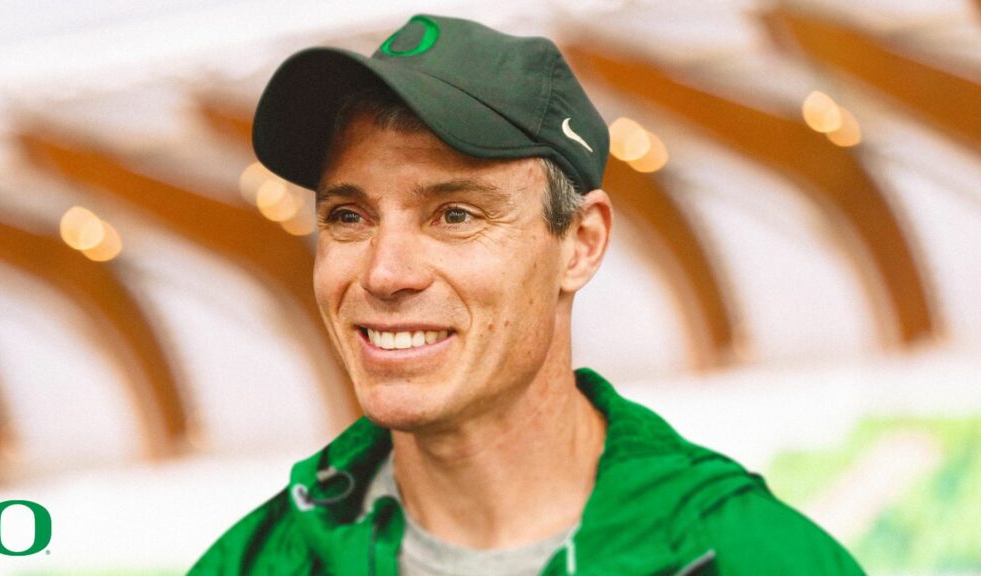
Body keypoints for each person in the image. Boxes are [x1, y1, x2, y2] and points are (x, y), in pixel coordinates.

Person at [190, 14, 865, 575]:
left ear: (581, 243)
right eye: (348, 217)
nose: (384, 274)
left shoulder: (753, 558)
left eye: (455, 214)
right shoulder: (254, 564)